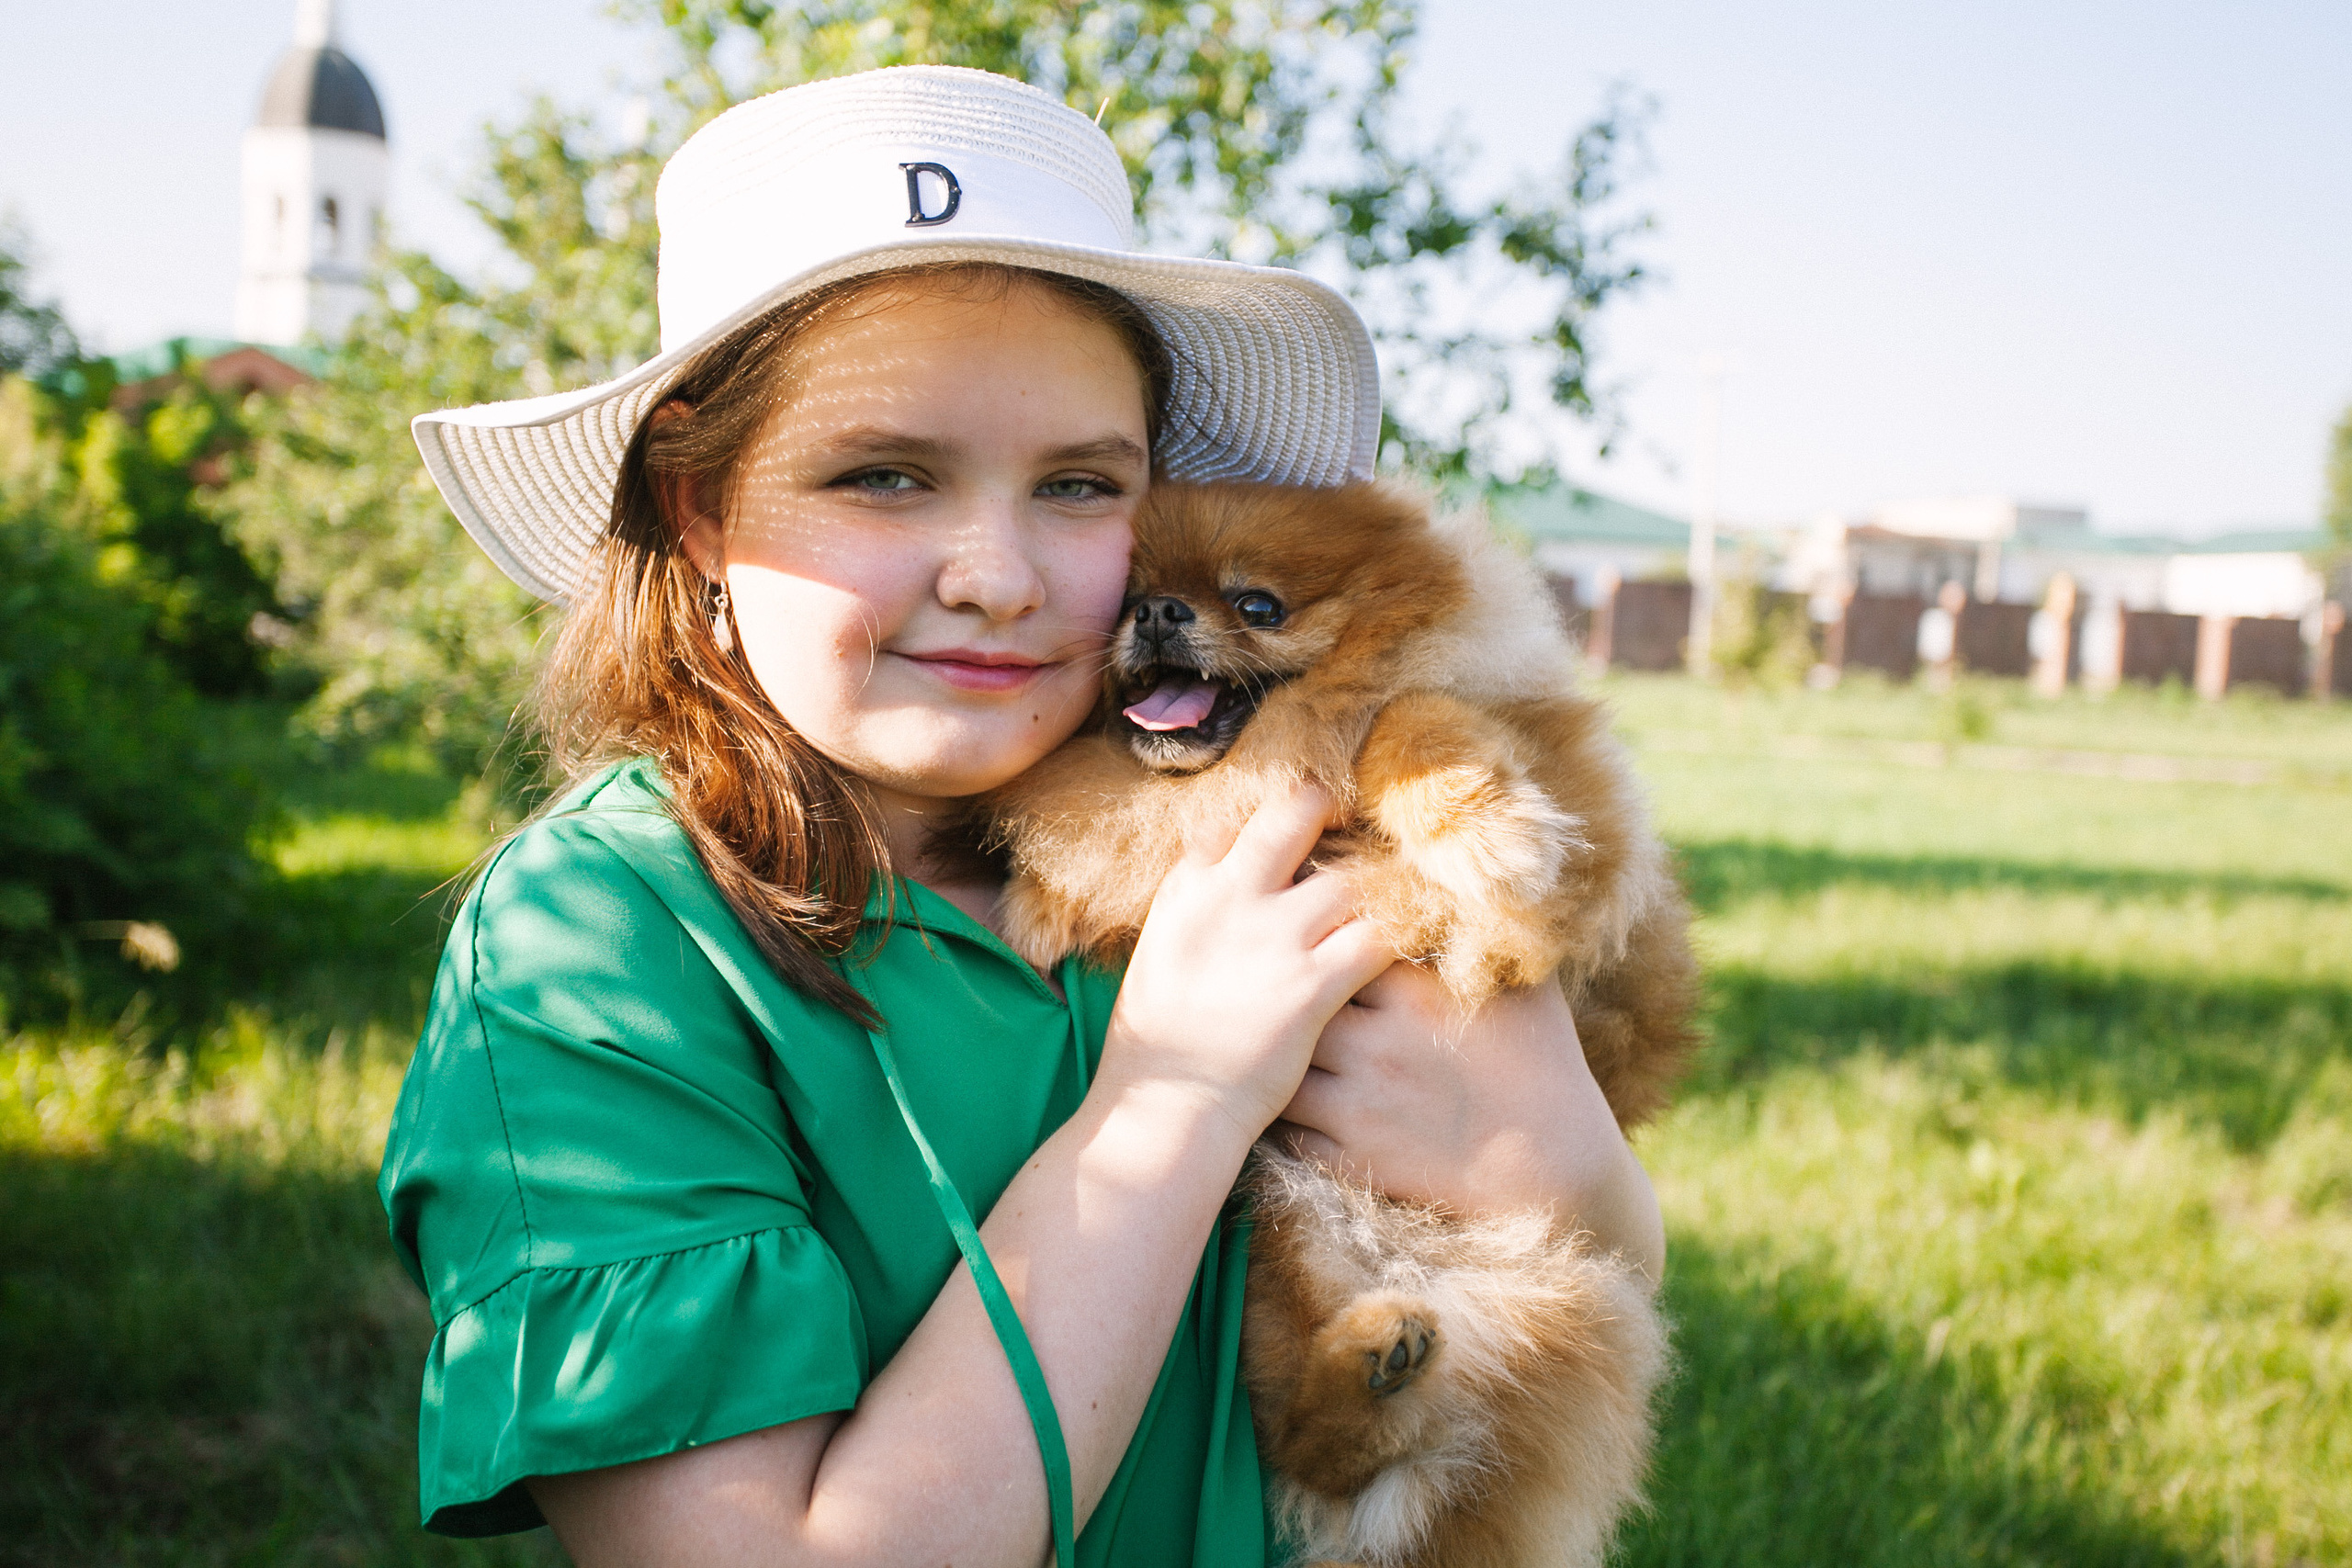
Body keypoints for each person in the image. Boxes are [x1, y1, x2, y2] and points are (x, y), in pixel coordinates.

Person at [379, 64, 1663, 1568]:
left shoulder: (1240, 805)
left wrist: (1562, 1167)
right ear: (699, 508)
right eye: (885, 476)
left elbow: (1595, 1263)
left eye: (1076, 486)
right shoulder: (597, 952)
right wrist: (1172, 1106)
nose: (998, 574)